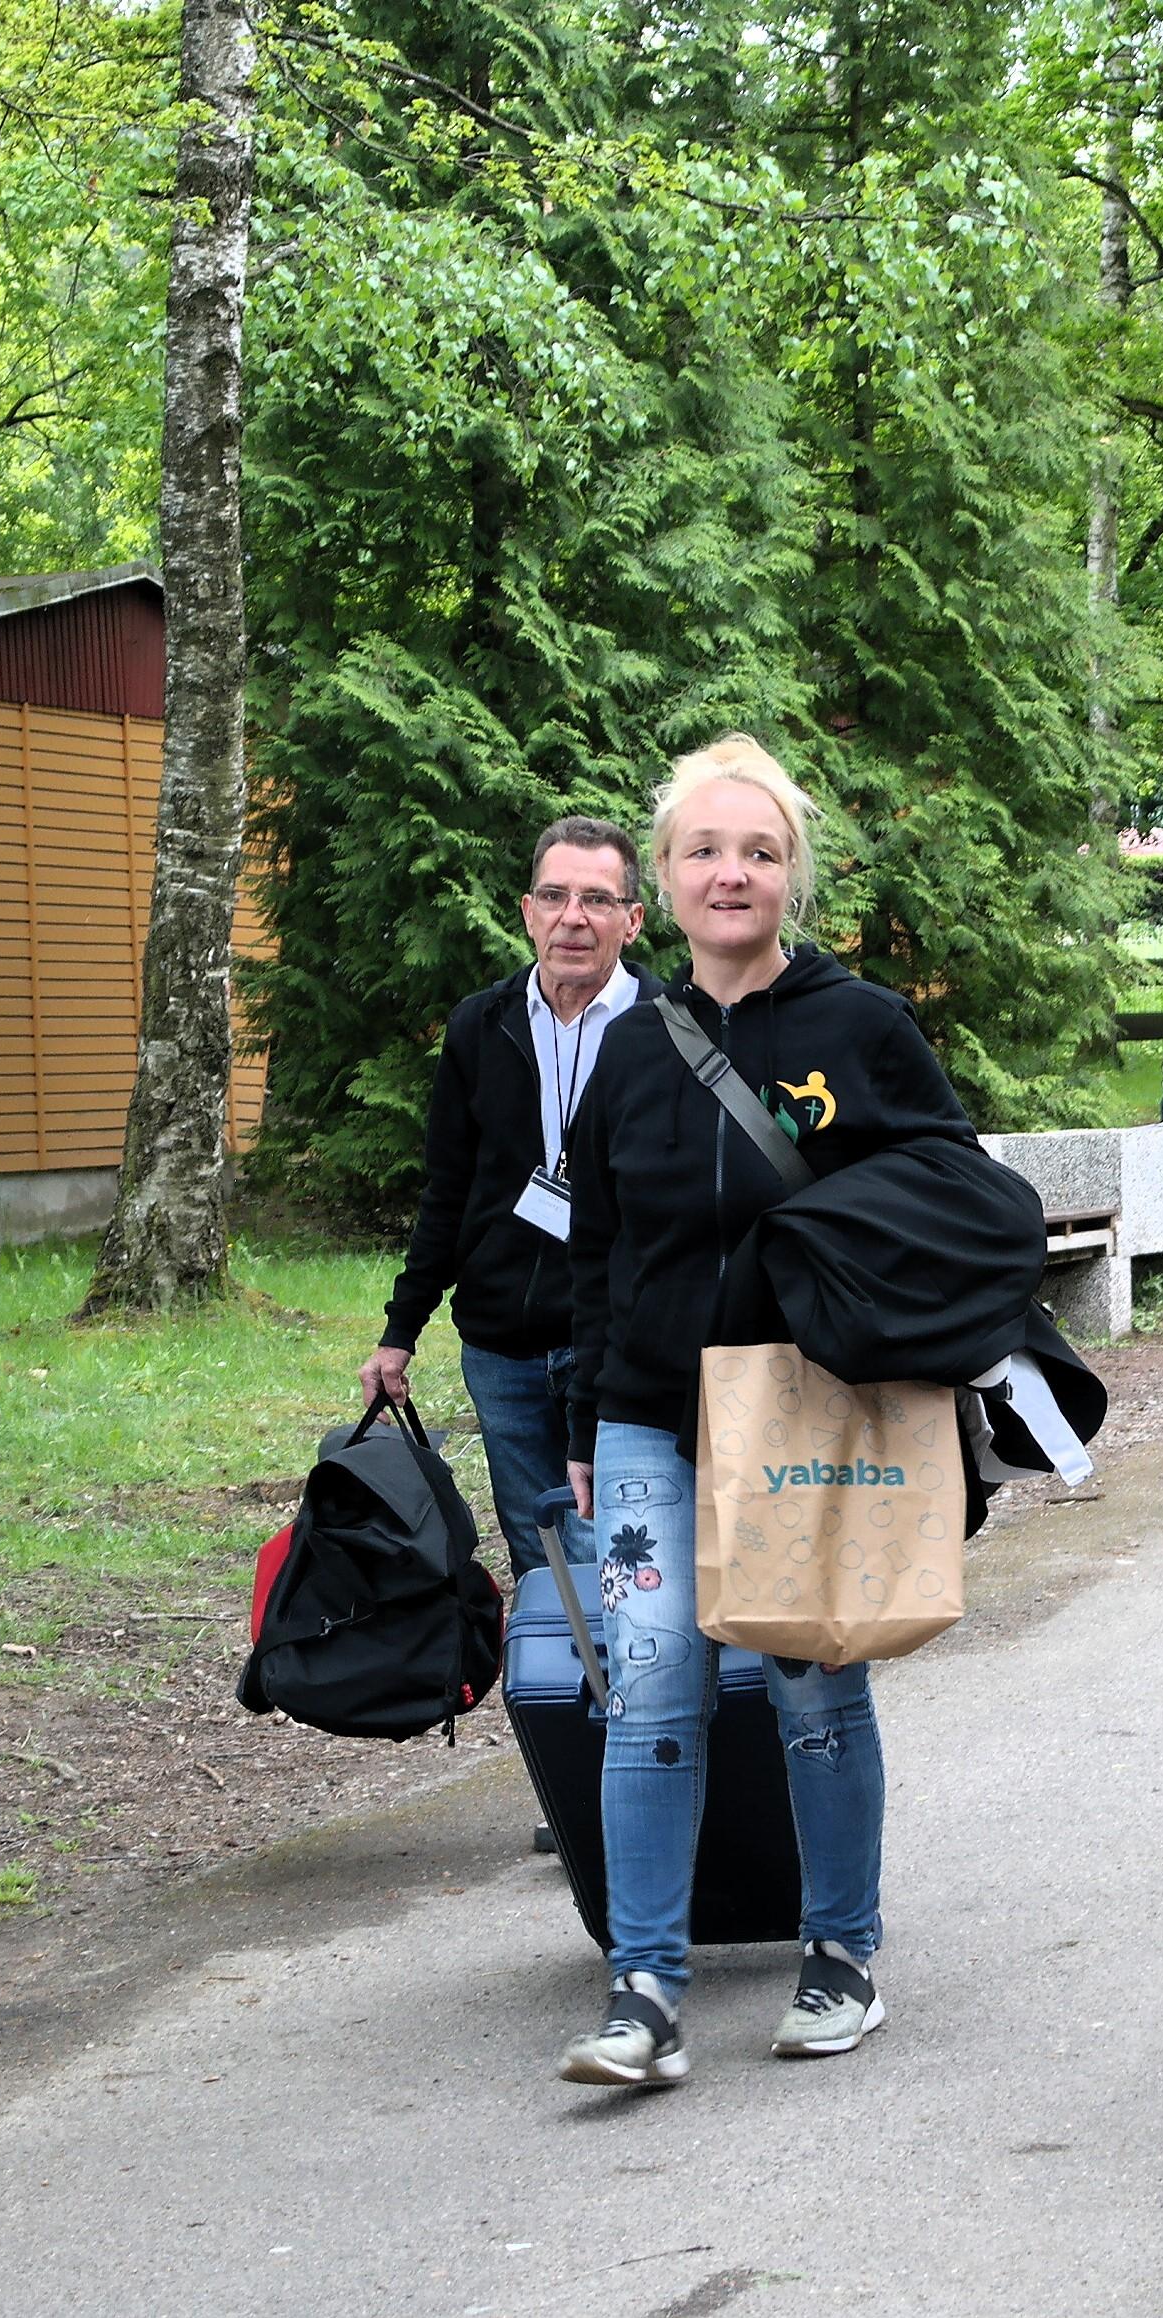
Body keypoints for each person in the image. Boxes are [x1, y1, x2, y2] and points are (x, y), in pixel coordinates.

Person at [554, 733, 978, 2087]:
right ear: (663, 881)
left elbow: (955, 1189)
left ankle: (841, 1952)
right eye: (703, 851)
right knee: (649, 1693)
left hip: (807, 1407)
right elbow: (595, 1249)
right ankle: (643, 1989)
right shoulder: (628, 1048)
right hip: (648, 1414)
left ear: (793, 873)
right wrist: (583, 1419)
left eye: (758, 851)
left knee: (810, 1676)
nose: (730, 872)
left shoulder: (863, 1028)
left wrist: (832, 1255)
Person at [362, 817, 656, 1578]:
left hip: (623, 1344)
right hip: (503, 1347)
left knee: (627, 1553)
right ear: (528, 912)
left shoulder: (668, 1028)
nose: (573, 918)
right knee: (542, 1554)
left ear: (631, 920)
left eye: (597, 899)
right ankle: (560, 1662)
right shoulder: (481, 1025)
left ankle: (633, 1664)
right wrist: (400, 1330)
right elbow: (447, 1190)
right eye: (554, 896)